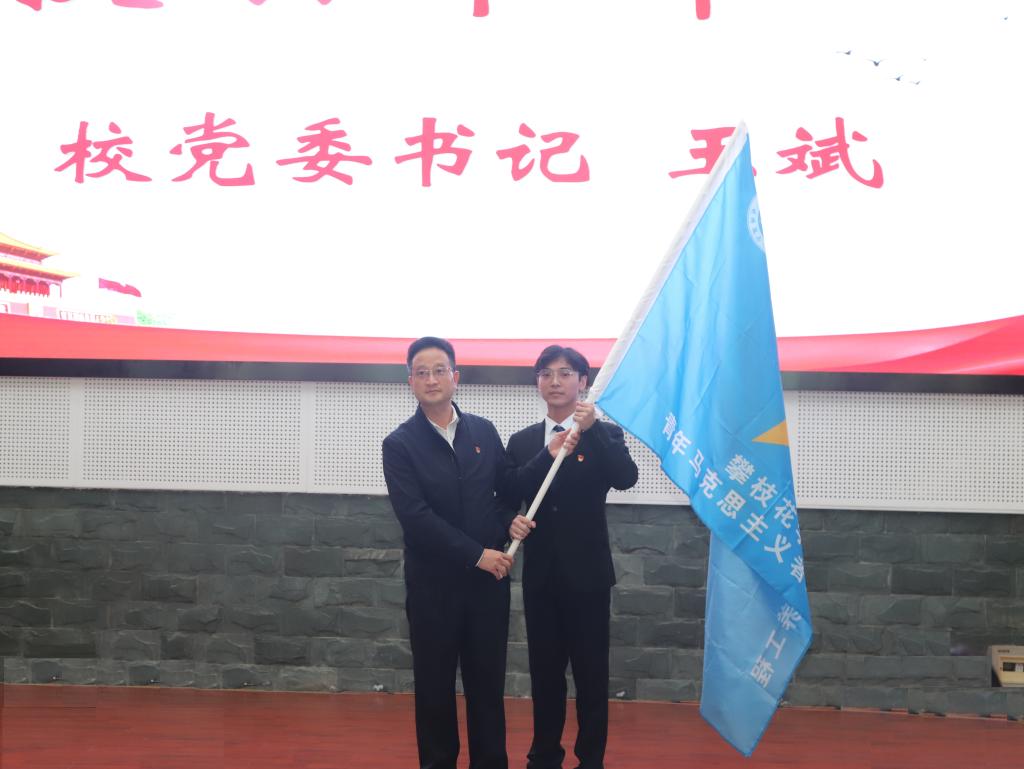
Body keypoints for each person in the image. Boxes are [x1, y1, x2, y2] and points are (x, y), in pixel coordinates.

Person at [381, 336, 516, 769]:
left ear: (455, 377)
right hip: (433, 589)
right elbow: (416, 518)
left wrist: (508, 524)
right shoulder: (399, 444)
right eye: (421, 372)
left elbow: (504, 493)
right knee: (434, 691)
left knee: (487, 689)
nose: (431, 379)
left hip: (487, 586)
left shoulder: (483, 431)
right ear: (410, 382)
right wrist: (478, 553)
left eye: (440, 370)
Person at [504, 345, 639, 769]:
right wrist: (546, 455)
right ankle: (544, 756)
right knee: (545, 676)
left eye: (565, 373)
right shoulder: (523, 441)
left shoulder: (605, 433)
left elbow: (626, 478)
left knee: (591, 675)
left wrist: (593, 428)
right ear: (537, 383)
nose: (555, 381)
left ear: (583, 381)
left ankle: (591, 759)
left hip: (589, 577)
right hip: (541, 578)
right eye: (546, 373)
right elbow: (508, 490)